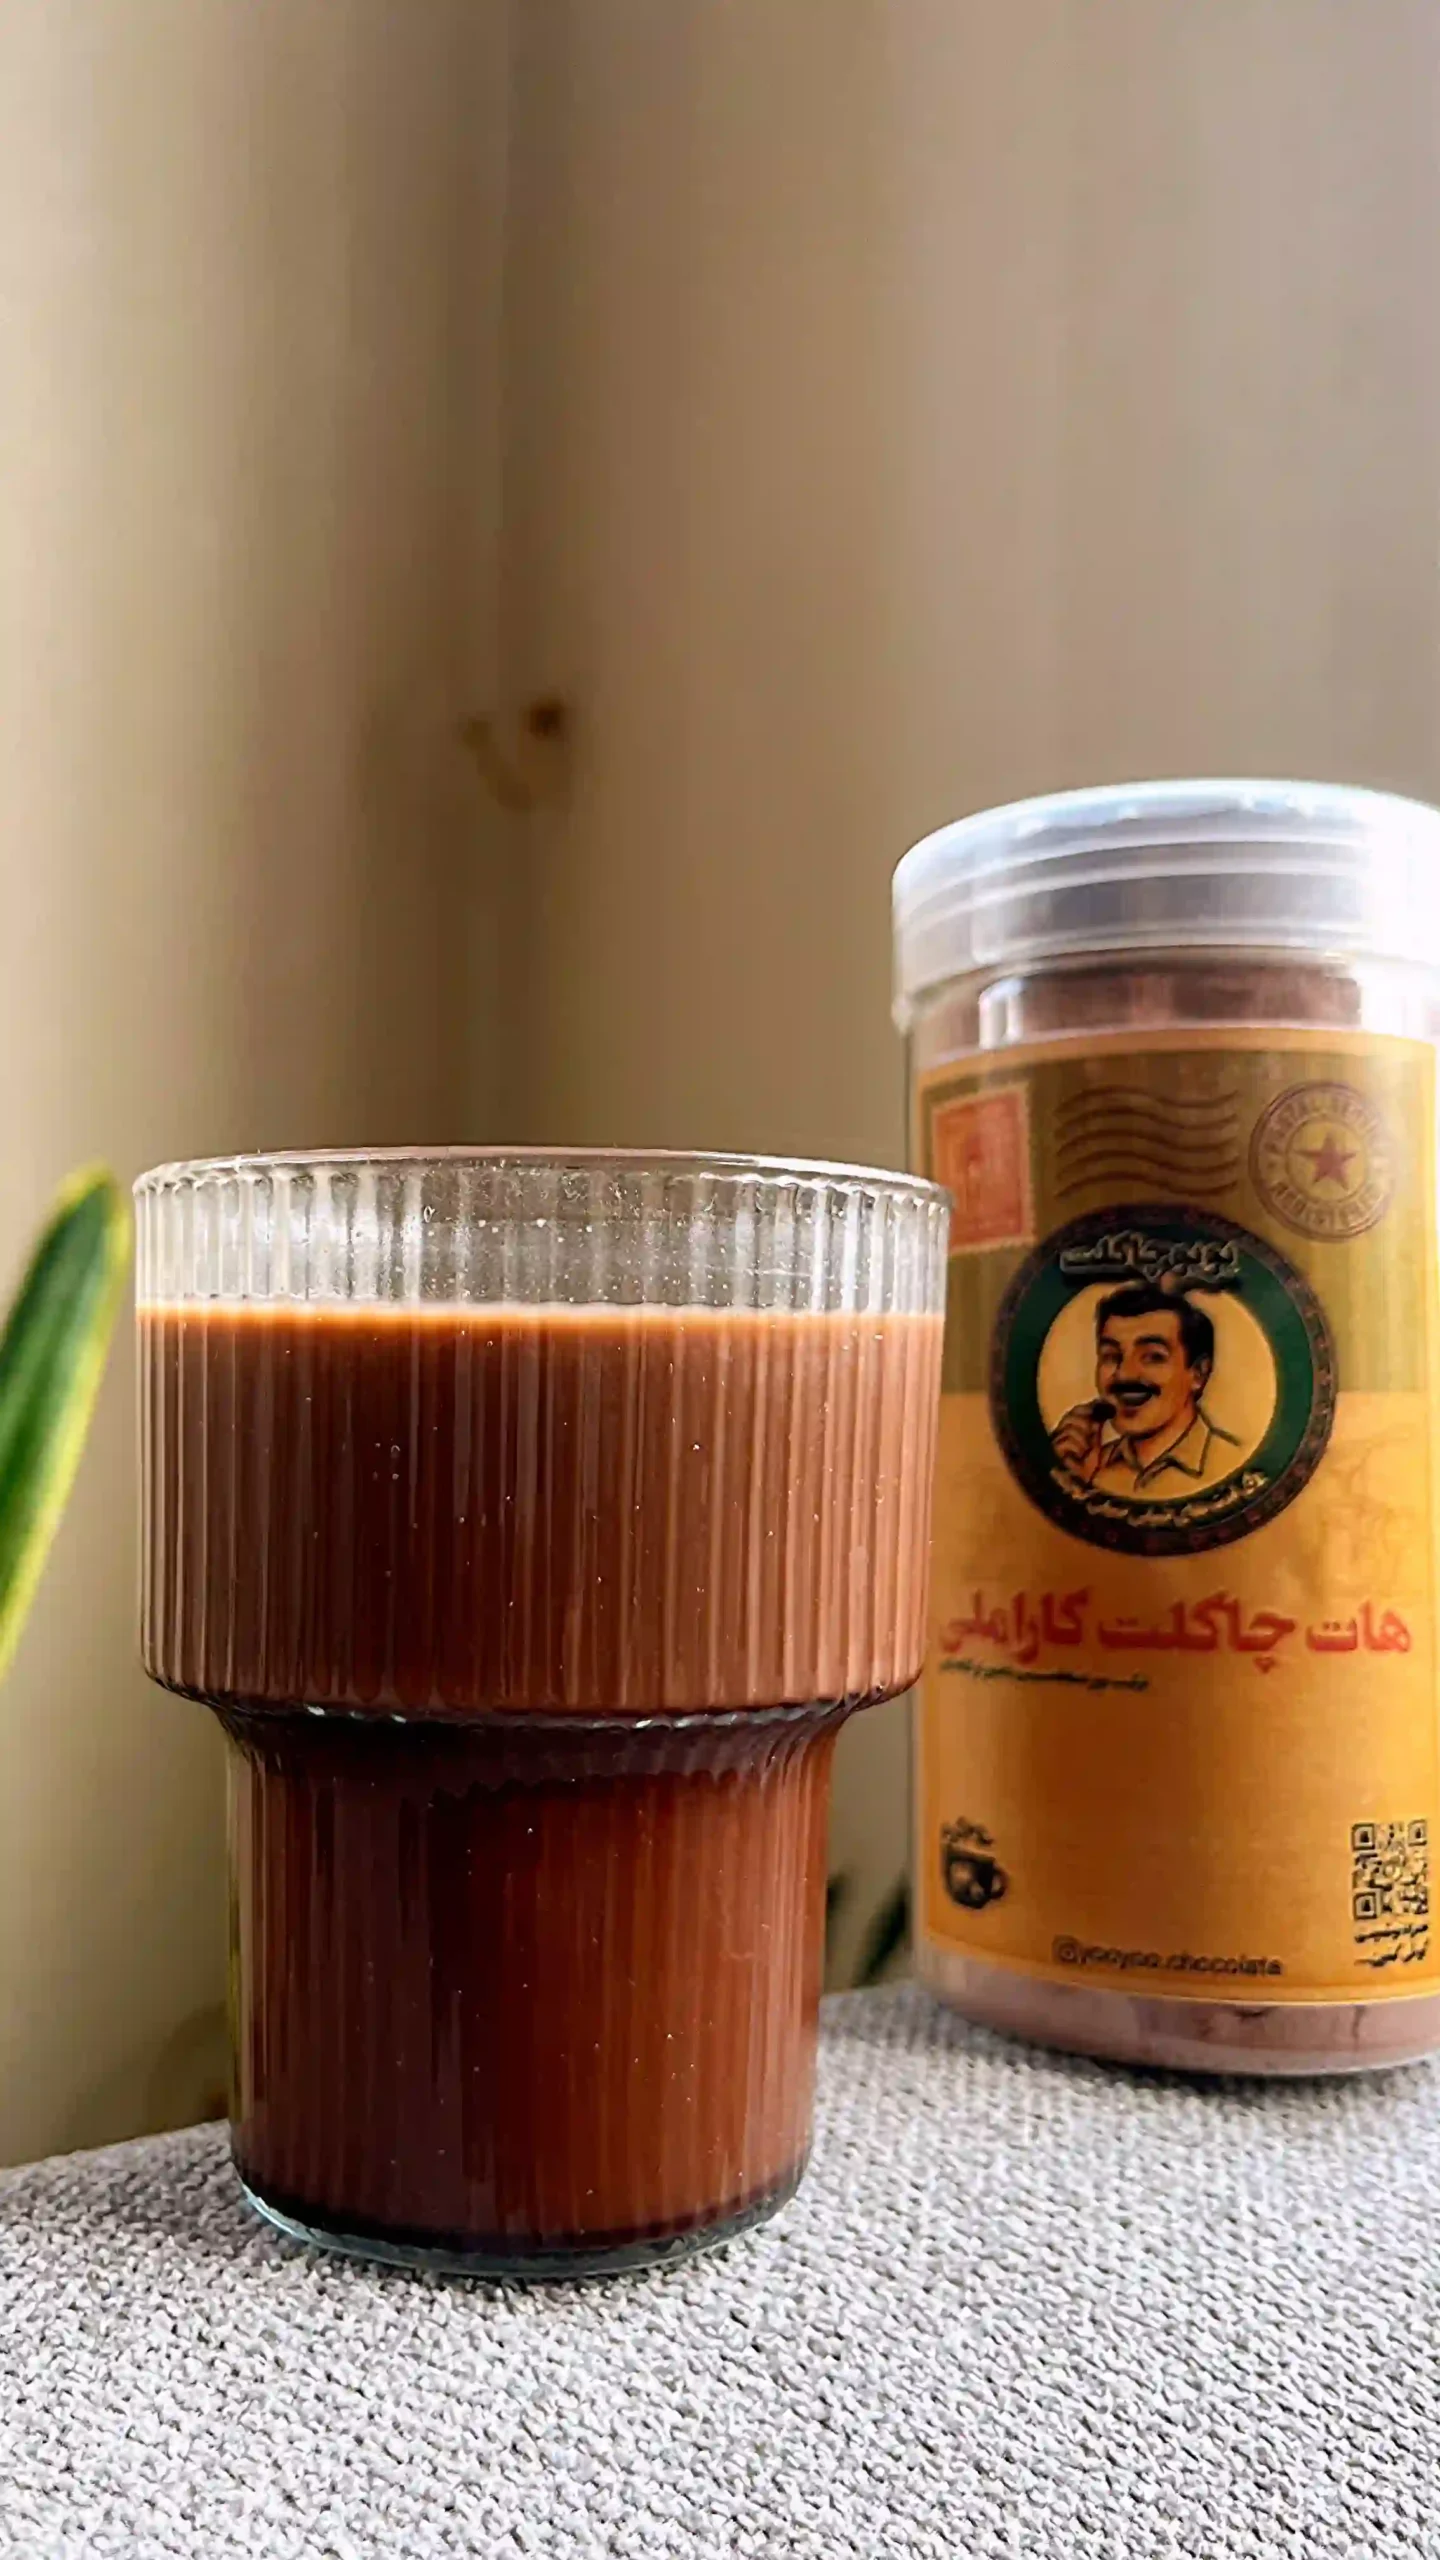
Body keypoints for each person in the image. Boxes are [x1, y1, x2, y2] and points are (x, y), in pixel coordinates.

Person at [1050, 1282, 1240, 1495]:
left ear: (1198, 1373)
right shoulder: (1090, 1466)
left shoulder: (1233, 1465)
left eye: (1153, 1356)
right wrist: (1074, 1485)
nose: (1124, 1374)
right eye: (1111, 1356)